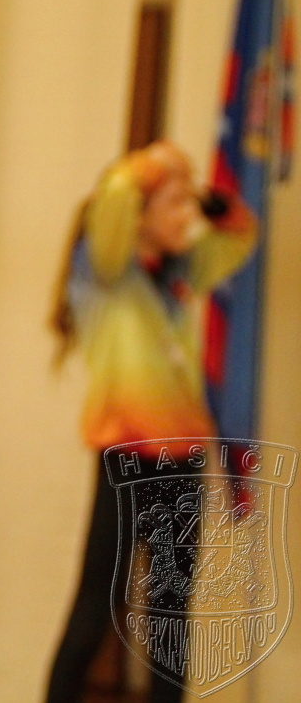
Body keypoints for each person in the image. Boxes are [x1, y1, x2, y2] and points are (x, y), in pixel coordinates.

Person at [44, 141, 256, 703]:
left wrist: (203, 198)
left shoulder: (179, 270)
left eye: (188, 205)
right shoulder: (105, 271)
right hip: (128, 458)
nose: (186, 217)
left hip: (182, 459)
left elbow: (240, 235)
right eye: (173, 204)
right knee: (98, 602)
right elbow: (114, 198)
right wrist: (155, 165)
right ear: (139, 216)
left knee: (170, 614)